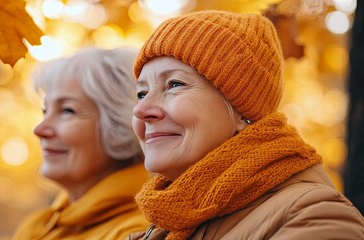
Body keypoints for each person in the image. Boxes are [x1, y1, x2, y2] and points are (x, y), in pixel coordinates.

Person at [128, 10, 364, 240]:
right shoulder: (164, 226)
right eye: (141, 93)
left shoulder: (315, 217)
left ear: (242, 110)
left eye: (174, 84)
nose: (141, 110)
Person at [12, 47, 150, 240]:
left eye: (67, 111)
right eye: (45, 111)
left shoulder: (138, 232)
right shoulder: (41, 227)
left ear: (120, 123)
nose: (40, 129)